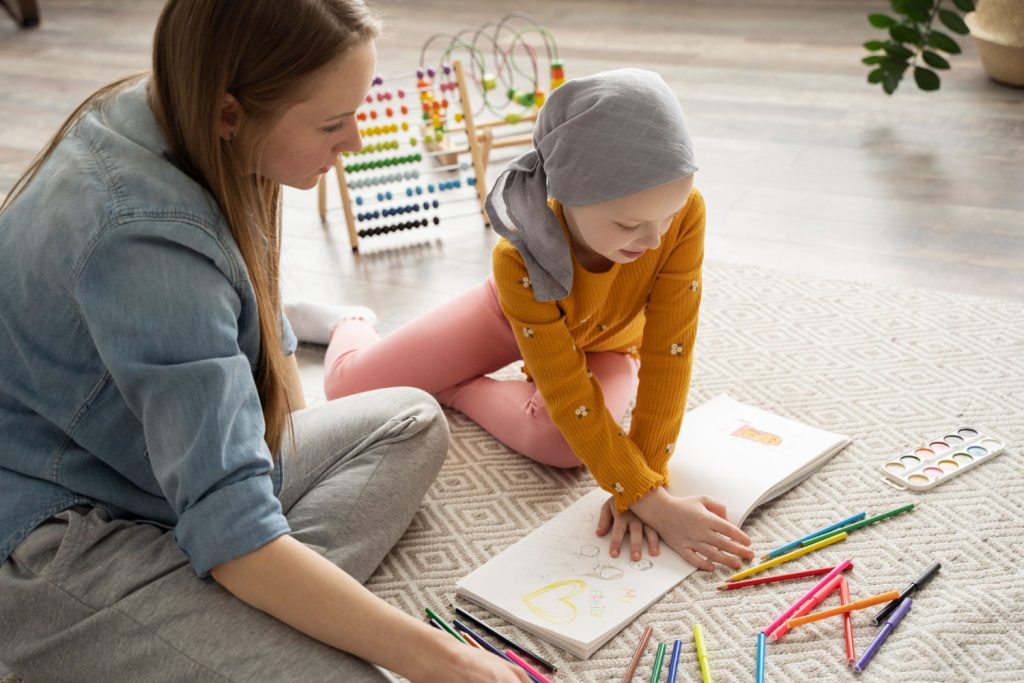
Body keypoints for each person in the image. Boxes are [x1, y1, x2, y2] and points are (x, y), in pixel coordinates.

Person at [0, 1, 529, 681]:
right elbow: (234, 524)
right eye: (334, 123)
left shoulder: (180, 115)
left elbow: (264, 366)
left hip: (142, 474)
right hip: (53, 541)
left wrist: (249, 529)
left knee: (412, 419)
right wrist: (445, 658)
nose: (355, 143)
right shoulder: (144, 240)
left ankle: (199, 624)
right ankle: (176, 626)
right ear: (231, 113)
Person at [287, 69, 756, 573]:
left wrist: (644, 484)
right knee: (346, 389)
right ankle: (347, 322)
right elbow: (562, 382)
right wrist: (645, 496)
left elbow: (670, 351)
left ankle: (452, 388)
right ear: (569, 193)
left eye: (668, 217)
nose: (655, 239)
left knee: (562, 446)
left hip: (610, 343)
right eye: (628, 225)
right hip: (508, 318)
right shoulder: (517, 258)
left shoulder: (682, 217)